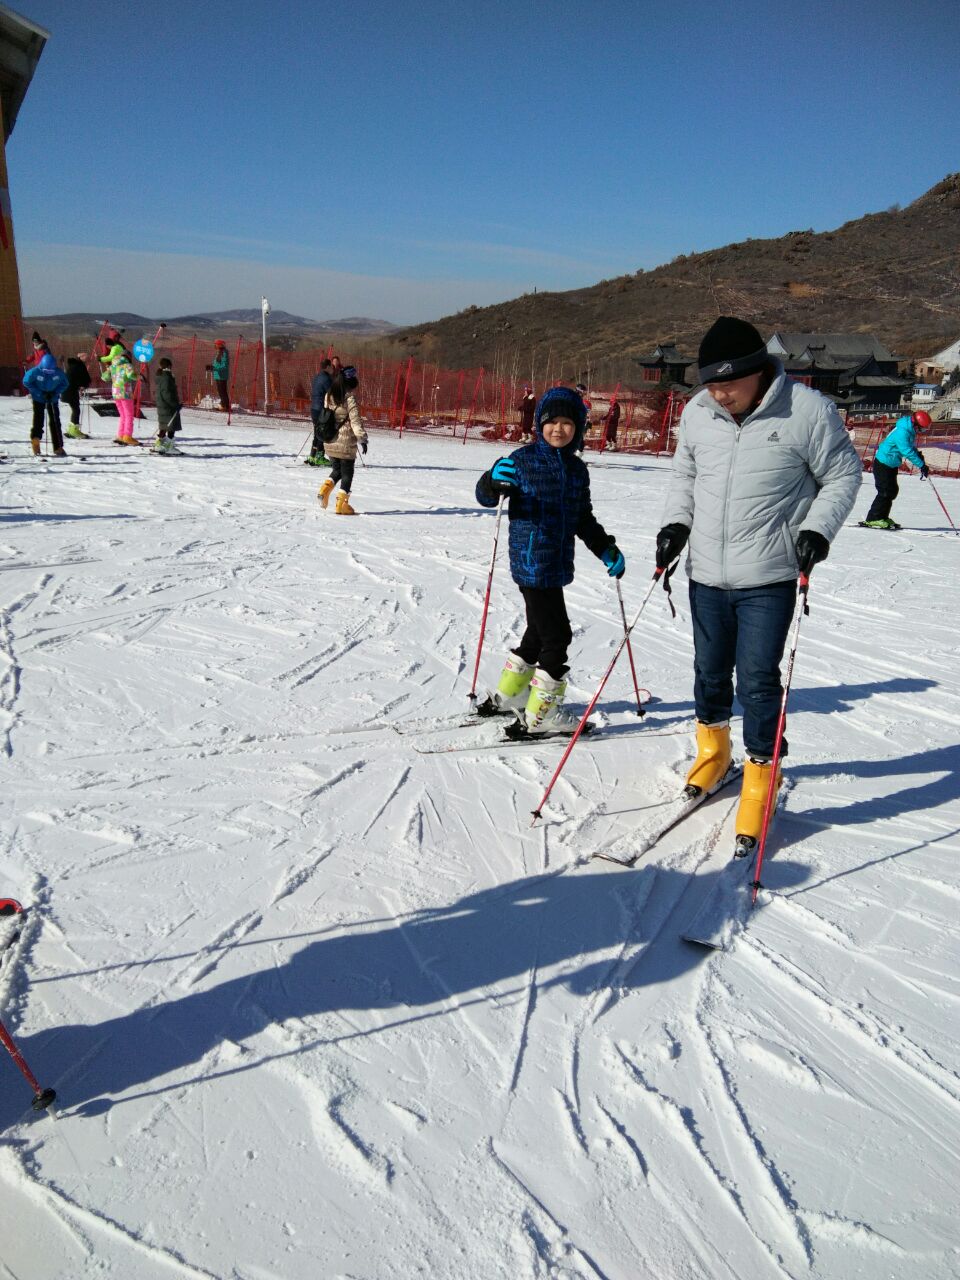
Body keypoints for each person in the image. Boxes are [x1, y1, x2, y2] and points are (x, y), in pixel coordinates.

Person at [656, 316, 862, 847]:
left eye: (728, 382)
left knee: (757, 679)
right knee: (708, 672)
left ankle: (760, 776)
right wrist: (676, 523)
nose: (719, 394)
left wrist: (817, 529)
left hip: (768, 574)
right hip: (705, 571)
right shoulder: (699, 412)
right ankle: (713, 752)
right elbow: (684, 474)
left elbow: (843, 474)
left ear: (757, 372)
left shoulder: (807, 411)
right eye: (711, 383)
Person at [474, 385, 626, 736]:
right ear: (539, 425)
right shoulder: (522, 461)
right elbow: (484, 496)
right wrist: (492, 481)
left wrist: (605, 548)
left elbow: (582, 519)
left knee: (538, 632)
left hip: (556, 565)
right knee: (557, 635)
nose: (558, 429)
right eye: (551, 422)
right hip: (530, 563)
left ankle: (511, 694)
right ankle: (543, 715)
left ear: (579, 427)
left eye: (567, 423)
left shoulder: (576, 471)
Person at [861, 410, 931, 529]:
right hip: (884, 463)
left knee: (892, 490)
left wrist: (918, 454)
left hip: (891, 463)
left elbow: (910, 447)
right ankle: (873, 518)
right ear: (915, 424)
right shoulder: (902, 432)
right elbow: (906, 451)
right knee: (885, 491)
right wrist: (921, 465)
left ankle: (882, 517)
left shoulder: (909, 430)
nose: (921, 431)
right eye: (922, 429)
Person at [317, 366, 367, 515]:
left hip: (330, 441)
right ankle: (341, 505)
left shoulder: (329, 395)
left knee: (337, 470)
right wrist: (362, 439)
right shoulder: (349, 399)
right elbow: (355, 421)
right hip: (345, 443)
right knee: (347, 473)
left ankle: (324, 491)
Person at [23, 353, 68, 457]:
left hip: (52, 399)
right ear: (42, 366)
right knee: (38, 420)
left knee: (55, 422)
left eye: (50, 371)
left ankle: (58, 447)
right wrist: (39, 392)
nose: (48, 373)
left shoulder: (58, 373)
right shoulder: (35, 372)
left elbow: (65, 384)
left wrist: (55, 392)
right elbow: (26, 382)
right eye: (46, 371)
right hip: (39, 399)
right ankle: (36, 441)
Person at [108, 350, 140, 444]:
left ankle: (121, 435)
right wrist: (139, 376)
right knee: (129, 415)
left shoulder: (113, 366)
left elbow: (105, 377)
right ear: (128, 357)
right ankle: (127, 436)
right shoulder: (127, 365)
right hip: (125, 392)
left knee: (123, 415)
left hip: (115, 392)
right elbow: (131, 376)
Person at [307, 358, 334, 466]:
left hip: (314, 408)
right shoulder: (326, 379)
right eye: (331, 366)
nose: (332, 368)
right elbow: (331, 393)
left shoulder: (317, 376)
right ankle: (319, 457)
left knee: (317, 433)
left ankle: (312, 456)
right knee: (322, 433)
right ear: (327, 367)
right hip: (321, 409)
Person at [154, 357, 183, 453]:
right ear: (169, 366)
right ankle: (169, 446)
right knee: (171, 425)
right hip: (168, 406)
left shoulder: (160, 376)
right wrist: (175, 405)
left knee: (164, 425)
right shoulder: (167, 377)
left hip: (162, 405)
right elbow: (167, 393)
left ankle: (159, 444)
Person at [63, 354, 92, 438]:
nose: (87, 358)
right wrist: (84, 385)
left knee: (75, 409)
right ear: (80, 358)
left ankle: (71, 429)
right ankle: (74, 431)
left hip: (67, 390)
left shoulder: (73, 365)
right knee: (76, 410)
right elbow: (85, 378)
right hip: (71, 391)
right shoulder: (80, 366)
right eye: (85, 357)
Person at [212, 340, 230, 410]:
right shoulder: (220, 352)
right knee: (220, 391)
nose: (215, 346)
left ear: (220, 345)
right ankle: (224, 405)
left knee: (222, 391)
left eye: (216, 345)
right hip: (218, 374)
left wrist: (215, 367)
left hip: (221, 375)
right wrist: (212, 367)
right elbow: (217, 363)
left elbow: (224, 365)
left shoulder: (224, 353)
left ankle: (225, 406)